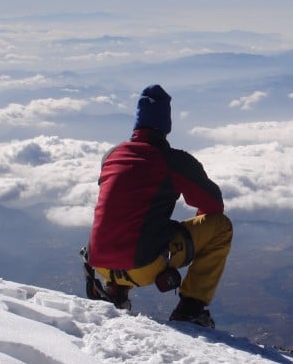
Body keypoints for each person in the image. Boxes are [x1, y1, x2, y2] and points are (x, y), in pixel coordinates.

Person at [82, 84, 232, 328]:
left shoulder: (111, 156)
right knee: (222, 228)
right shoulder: (173, 161)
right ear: (166, 124)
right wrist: (187, 239)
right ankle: (190, 309)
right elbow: (213, 206)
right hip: (145, 266)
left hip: (101, 265)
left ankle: (116, 292)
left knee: (128, 223)